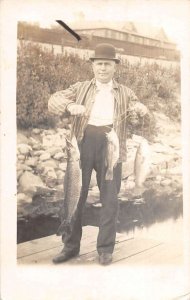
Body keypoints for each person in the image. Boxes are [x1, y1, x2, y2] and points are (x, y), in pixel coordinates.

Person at [48, 43, 148, 265]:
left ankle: (105, 249)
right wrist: (69, 106)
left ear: (115, 67)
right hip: (82, 145)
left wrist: (140, 109)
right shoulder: (80, 87)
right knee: (74, 196)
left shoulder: (125, 92)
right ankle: (70, 246)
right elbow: (54, 100)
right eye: (99, 64)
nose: (103, 68)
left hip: (111, 145)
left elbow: (137, 114)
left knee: (110, 200)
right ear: (93, 66)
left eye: (107, 64)